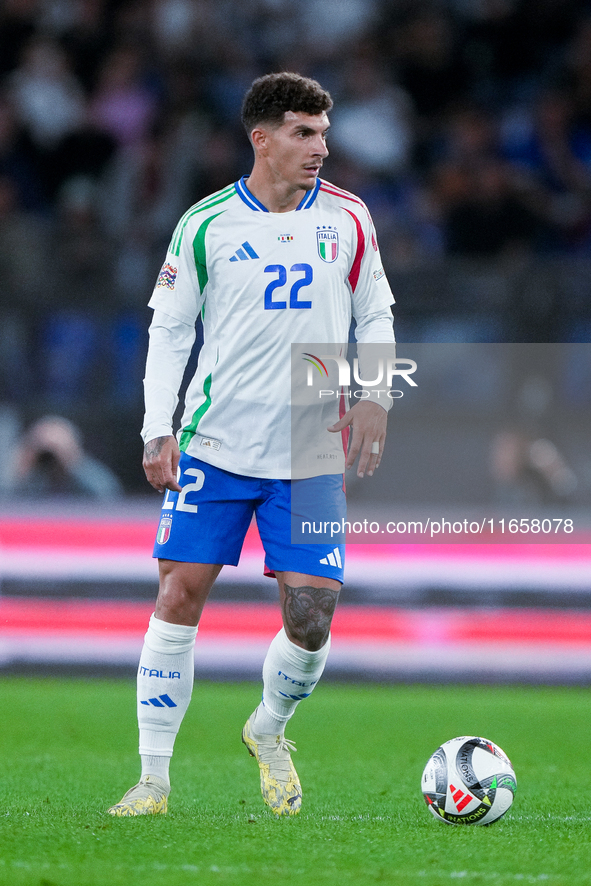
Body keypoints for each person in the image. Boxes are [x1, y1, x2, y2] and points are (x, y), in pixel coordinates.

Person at [107, 72, 395, 819]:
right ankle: (152, 781)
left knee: (311, 615)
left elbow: (378, 314)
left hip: (309, 448)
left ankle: (268, 729)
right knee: (178, 595)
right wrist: (156, 427)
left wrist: (374, 394)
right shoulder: (205, 224)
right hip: (215, 442)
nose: (319, 148)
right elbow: (169, 331)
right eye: (303, 132)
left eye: (324, 133)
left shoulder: (350, 218)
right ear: (260, 138)